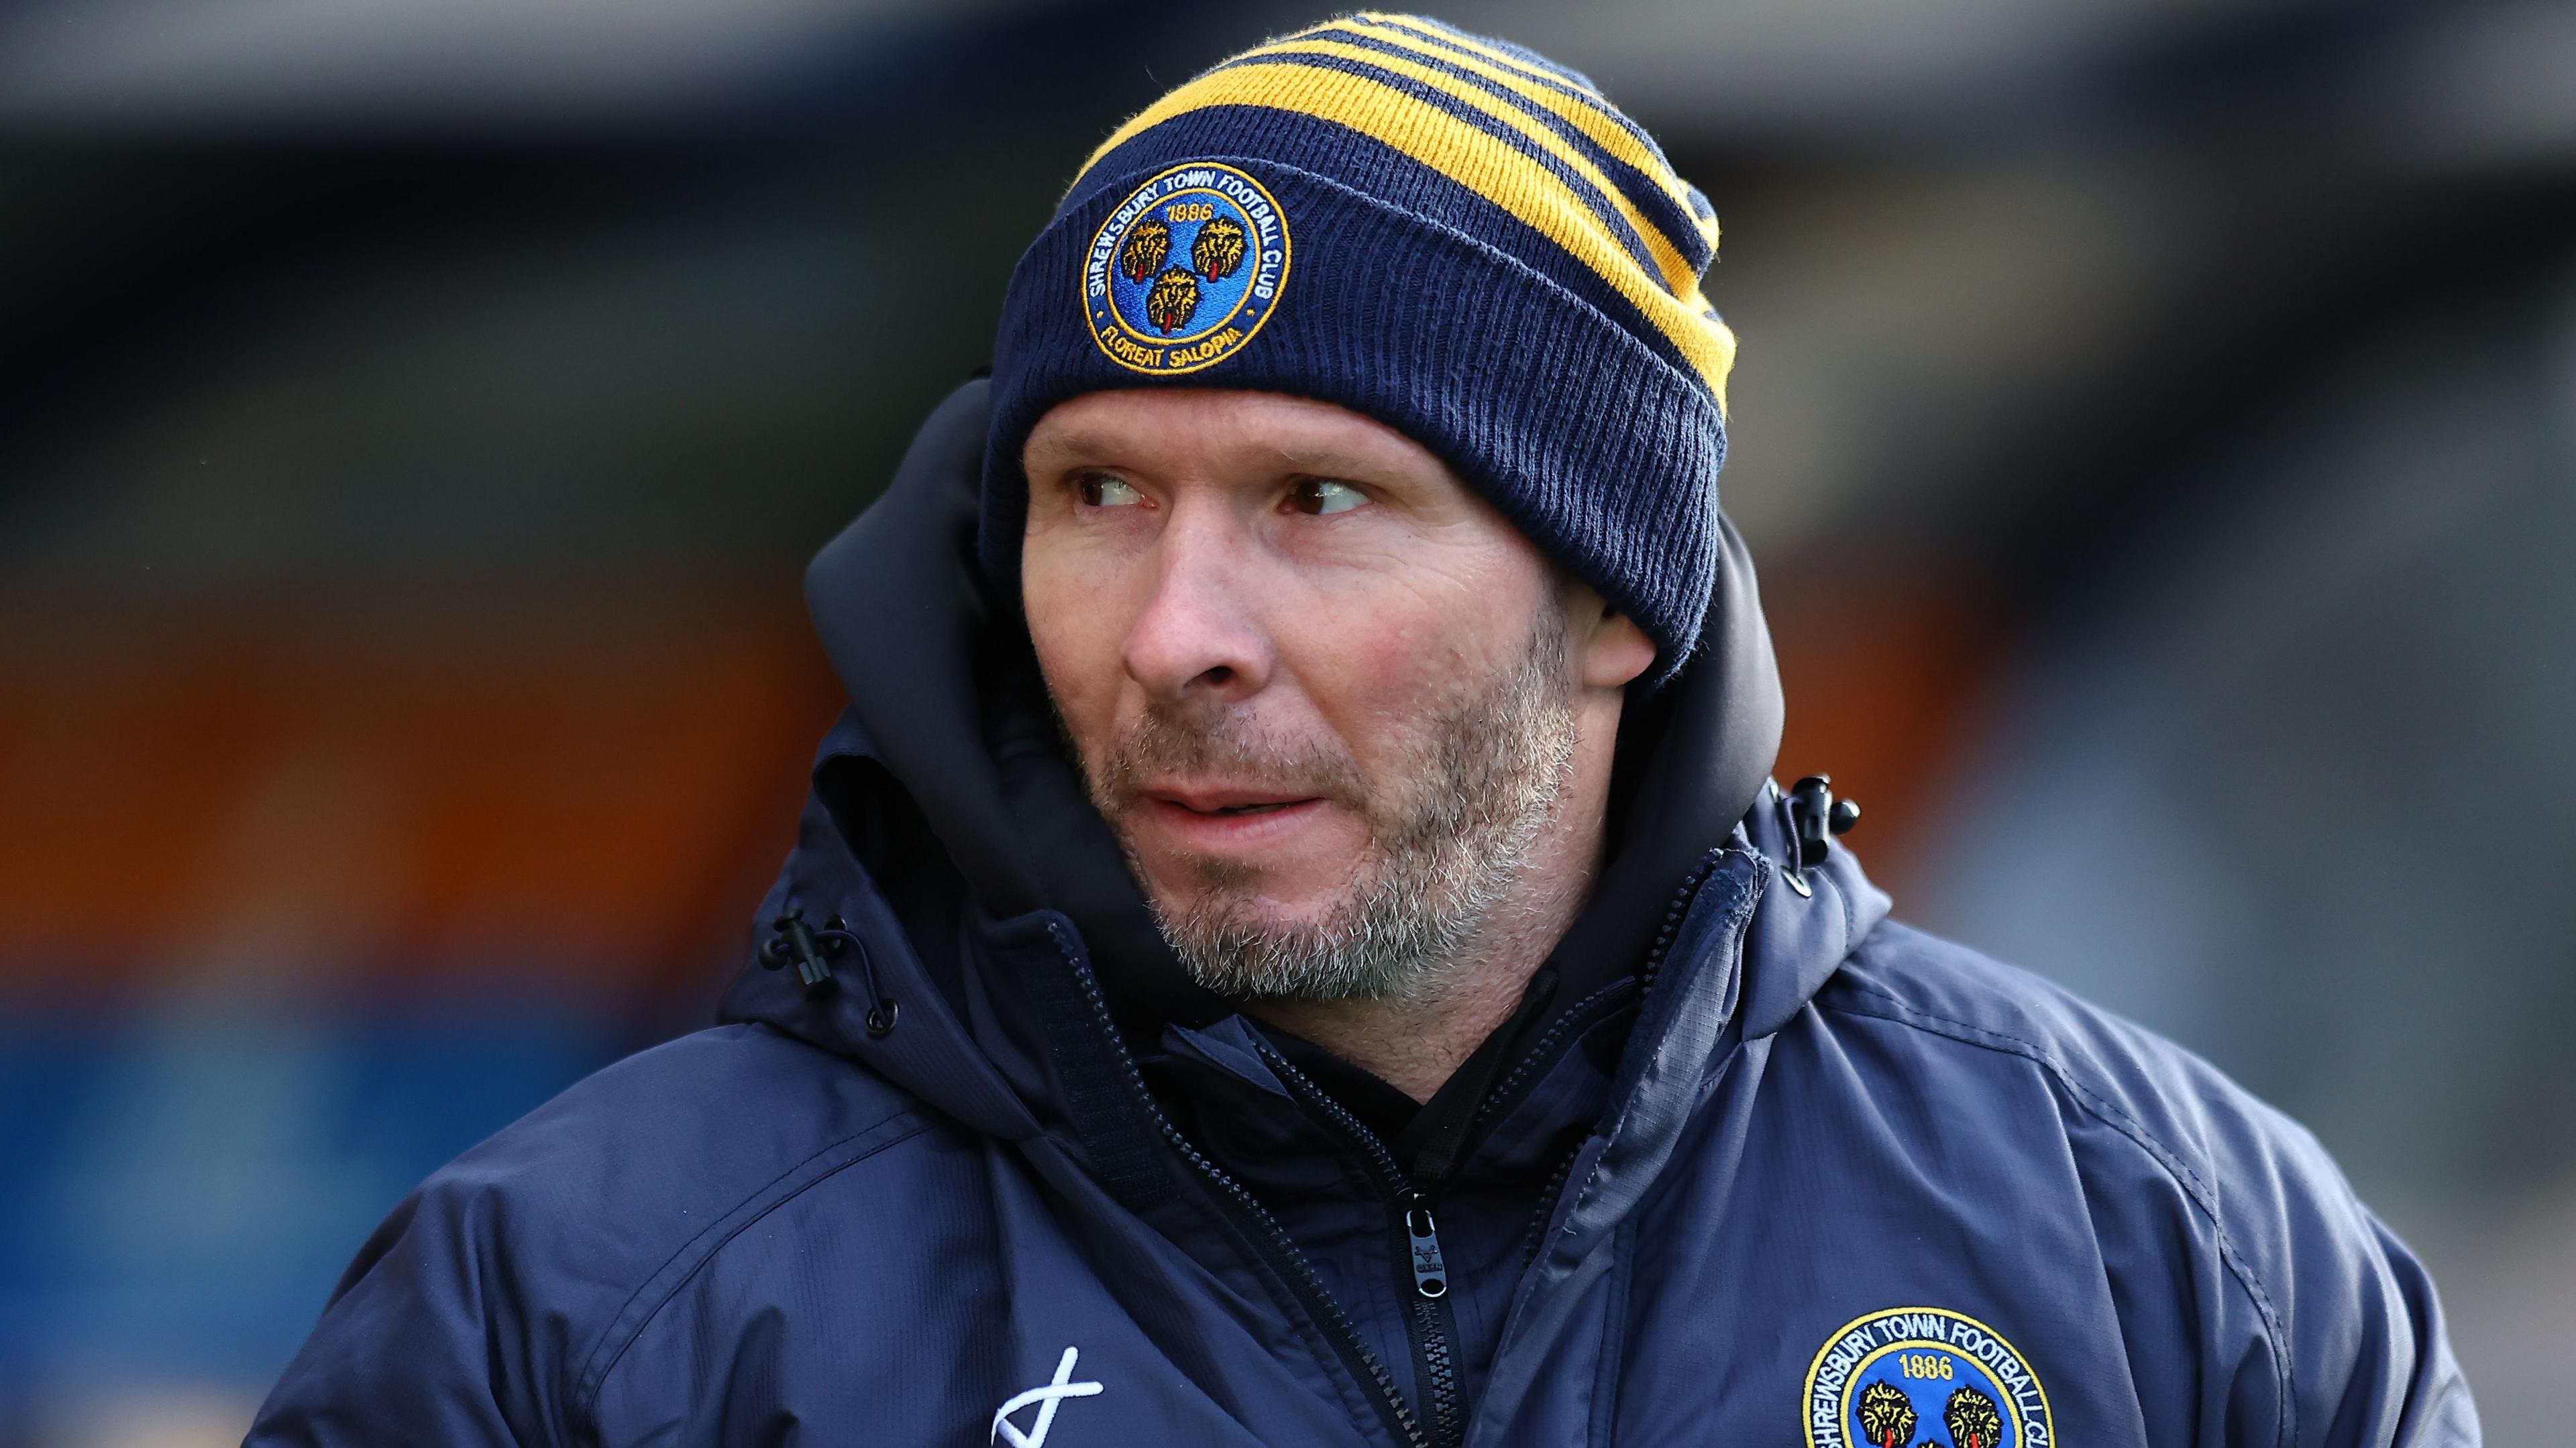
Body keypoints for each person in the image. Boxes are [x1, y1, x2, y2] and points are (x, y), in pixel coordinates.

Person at [247, 13, 2476, 1447]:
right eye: (1095, 498)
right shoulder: (593, 1300)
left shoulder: (2156, 1253)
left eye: (1321, 503)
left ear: (1614, 600)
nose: (1173, 631)